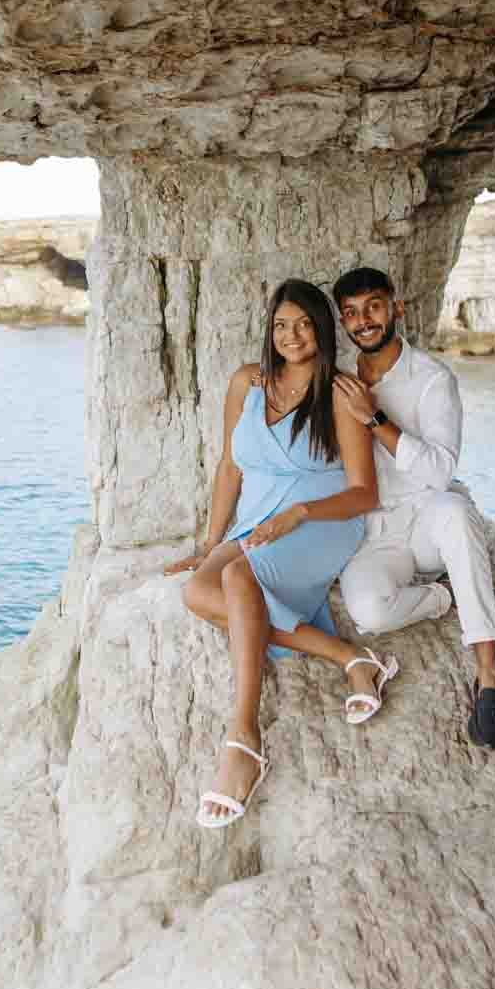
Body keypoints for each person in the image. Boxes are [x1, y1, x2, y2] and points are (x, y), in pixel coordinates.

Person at [163, 279, 390, 829]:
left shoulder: (339, 392)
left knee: (239, 578)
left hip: (319, 522)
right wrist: (208, 543)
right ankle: (350, 658)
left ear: (322, 329)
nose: (292, 336)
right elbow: (229, 467)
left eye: (305, 324)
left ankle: (243, 736)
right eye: (281, 325)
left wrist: (302, 515)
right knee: (199, 589)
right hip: (255, 522)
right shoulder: (247, 382)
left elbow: (365, 492)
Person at [330, 267, 495, 748]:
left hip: (428, 517)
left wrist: (374, 419)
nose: (364, 321)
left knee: (455, 509)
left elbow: (439, 470)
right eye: (351, 313)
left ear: (396, 307)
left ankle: (489, 677)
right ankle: (448, 598)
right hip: (376, 534)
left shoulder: (434, 380)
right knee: (369, 612)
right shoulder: (339, 382)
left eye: (373, 306)